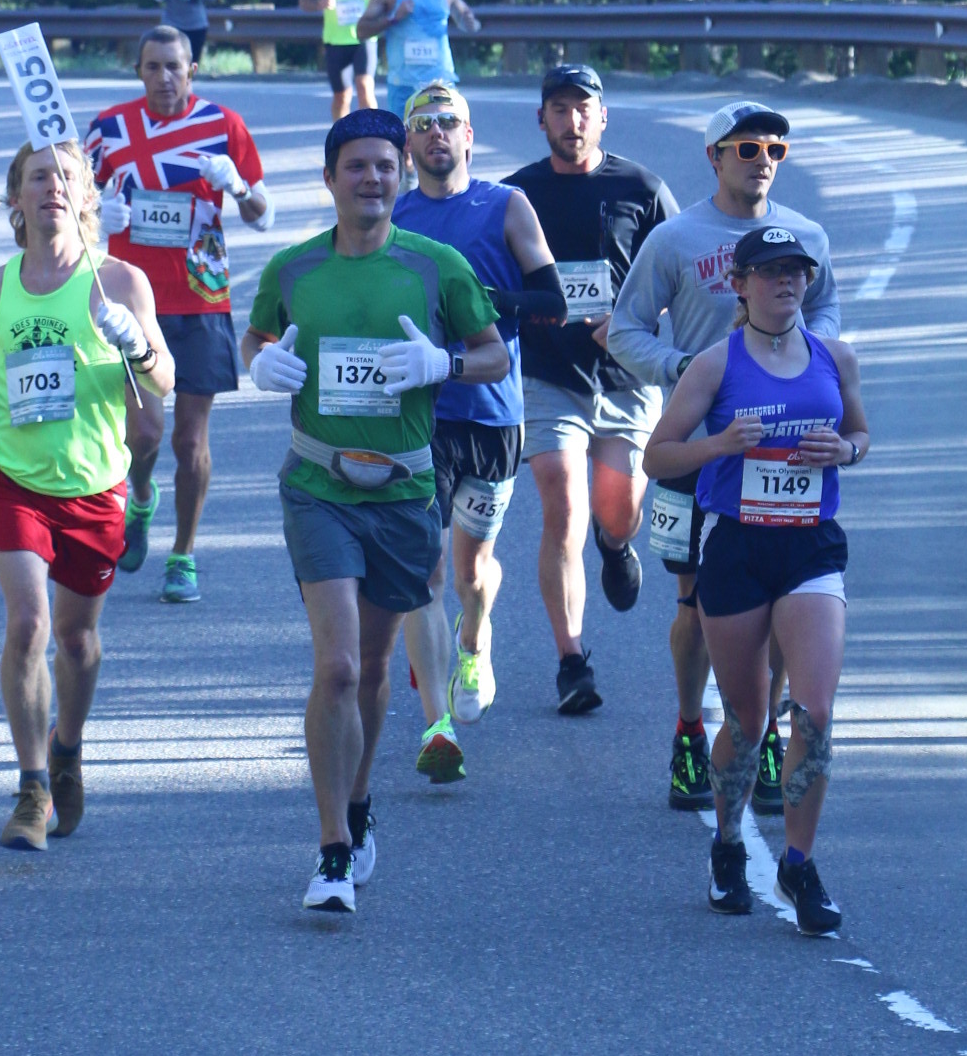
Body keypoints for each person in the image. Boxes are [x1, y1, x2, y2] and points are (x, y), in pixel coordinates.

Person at [241, 110, 507, 914]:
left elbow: (494, 354)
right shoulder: (293, 269)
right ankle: (330, 850)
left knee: (377, 667)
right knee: (338, 667)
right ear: (330, 178)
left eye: (386, 166)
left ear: (402, 173)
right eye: (356, 166)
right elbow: (255, 337)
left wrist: (443, 362)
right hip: (317, 487)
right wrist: (263, 365)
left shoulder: (437, 266)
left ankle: (358, 805)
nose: (373, 179)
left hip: (402, 493)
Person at [0, 139, 173, 850]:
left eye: (66, 177)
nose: (53, 187)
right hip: (13, 477)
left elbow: (163, 379)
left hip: (94, 484)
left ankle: (66, 746)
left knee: (76, 640)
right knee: (29, 624)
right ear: (15, 198)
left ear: (86, 196)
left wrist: (136, 346)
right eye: (38, 177)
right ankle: (32, 786)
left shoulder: (120, 282)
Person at [610, 100, 840, 814]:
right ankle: (689, 727)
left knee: (783, 603)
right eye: (747, 149)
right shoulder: (676, 239)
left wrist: (809, 365)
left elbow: (829, 317)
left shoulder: (806, 237)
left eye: (775, 149)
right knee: (695, 606)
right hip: (695, 448)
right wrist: (685, 369)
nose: (762, 160)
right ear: (714, 157)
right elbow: (624, 330)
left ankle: (761, 730)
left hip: (783, 451)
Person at [642, 225, 867, 931]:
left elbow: (861, 434)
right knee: (747, 719)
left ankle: (799, 864)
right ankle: (729, 844)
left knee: (815, 712)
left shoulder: (835, 357)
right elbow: (657, 456)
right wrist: (718, 445)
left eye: (796, 272)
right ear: (739, 286)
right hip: (736, 547)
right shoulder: (714, 366)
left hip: (809, 546)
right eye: (770, 272)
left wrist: (844, 451)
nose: (786, 283)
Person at [392, 80, 565, 778]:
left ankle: (474, 640)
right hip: (419, 415)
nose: (436, 133)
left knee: (471, 572)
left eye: (449, 122)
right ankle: (437, 726)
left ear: (469, 136)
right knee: (426, 568)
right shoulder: (393, 213)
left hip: (492, 414)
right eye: (423, 124)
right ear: (409, 142)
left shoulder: (505, 205)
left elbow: (552, 299)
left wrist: (487, 302)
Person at [504, 63, 677, 715]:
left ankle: (616, 542)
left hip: (627, 377)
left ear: (602, 117)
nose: (572, 120)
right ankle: (572, 661)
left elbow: (681, 278)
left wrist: (635, 321)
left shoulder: (642, 189)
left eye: (583, 109)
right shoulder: (515, 196)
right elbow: (488, 279)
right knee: (562, 506)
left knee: (616, 512)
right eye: (559, 108)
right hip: (550, 374)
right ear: (541, 119)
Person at [85, 27, 271, 601]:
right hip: (131, 302)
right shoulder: (109, 130)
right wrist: (97, 219)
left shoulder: (223, 125)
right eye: (153, 67)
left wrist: (238, 187)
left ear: (193, 70)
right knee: (143, 436)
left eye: (174, 66)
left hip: (200, 298)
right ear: (138, 72)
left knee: (190, 444)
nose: (164, 77)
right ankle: (141, 497)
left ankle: (183, 554)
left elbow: (262, 215)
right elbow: (71, 210)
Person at [357, 0, 479, 123]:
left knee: (448, 136)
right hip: (403, 84)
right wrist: (393, 18)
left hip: (442, 81)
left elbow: (466, 21)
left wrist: (470, 21)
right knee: (403, 139)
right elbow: (361, 30)